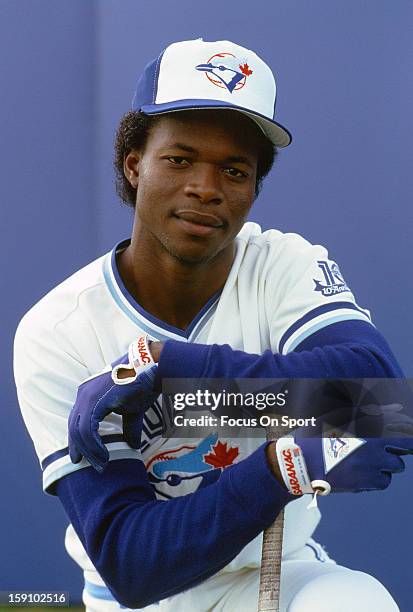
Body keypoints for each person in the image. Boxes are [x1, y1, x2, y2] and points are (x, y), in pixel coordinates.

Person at [14, 39, 408, 612]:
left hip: (277, 572)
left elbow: (386, 404)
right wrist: (286, 463)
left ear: (253, 189)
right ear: (134, 164)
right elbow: (132, 562)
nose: (206, 186)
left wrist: (173, 375)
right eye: (179, 159)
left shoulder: (283, 264)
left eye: (234, 168)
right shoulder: (58, 328)